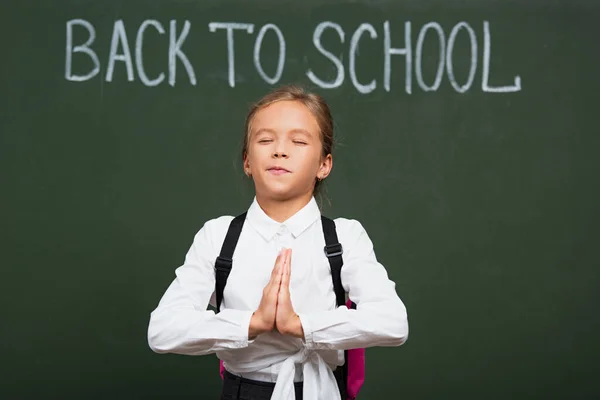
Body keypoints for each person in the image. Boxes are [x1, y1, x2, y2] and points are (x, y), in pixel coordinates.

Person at [147, 84, 409, 400]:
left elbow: (393, 323)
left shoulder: (344, 238)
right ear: (247, 161)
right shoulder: (218, 237)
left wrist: (300, 325)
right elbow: (162, 330)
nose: (279, 150)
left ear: (324, 165)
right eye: (265, 140)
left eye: (298, 141)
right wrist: (251, 323)